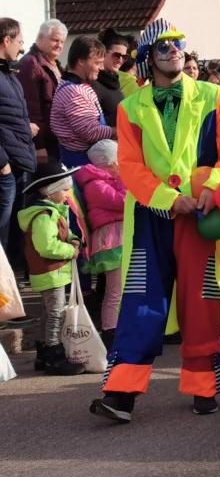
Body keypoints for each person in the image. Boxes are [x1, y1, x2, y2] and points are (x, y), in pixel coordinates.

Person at [90, 18, 220, 423]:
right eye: (164, 45)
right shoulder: (130, 108)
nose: (174, 49)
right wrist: (168, 198)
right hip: (151, 217)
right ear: (147, 58)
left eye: (178, 43)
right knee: (141, 301)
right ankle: (121, 393)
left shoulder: (213, 96)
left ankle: (203, 386)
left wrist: (213, 184)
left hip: (202, 216)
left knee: (202, 301)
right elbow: (129, 166)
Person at [18, 160, 84, 375]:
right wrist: (70, 251)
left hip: (52, 273)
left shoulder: (54, 212)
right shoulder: (44, 216)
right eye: (65, 189)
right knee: (56, 313)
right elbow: (47, 246)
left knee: (48, 313)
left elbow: (63, 234)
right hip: (50, 273)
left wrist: (74, 240)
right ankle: (54, 355)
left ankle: (43, 353)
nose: (68, 194)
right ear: (51, 191)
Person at [75, 140, 126, 344]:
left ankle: (117, 326)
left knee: (118, 288)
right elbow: (124, 201)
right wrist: (124, 180)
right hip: (112, 241)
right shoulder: (95, 184)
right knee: (115, 290)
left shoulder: (102, 181)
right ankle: (110, 330)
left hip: (117, 238)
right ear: (110, 163)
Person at [0, 19, 37, 253]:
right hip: (5, 167)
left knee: (12, 231)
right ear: (6, 40)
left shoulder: (10, 74)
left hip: (18, 161)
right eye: (19, 41)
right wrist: (2, 164)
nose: (21, 48)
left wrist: (26, 127)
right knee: (1, 231)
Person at [51, 35, 115, 167]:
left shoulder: (78, 86)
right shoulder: (74, 92)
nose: (101, 68)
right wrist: (117, 131)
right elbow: (90, 132)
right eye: (97, 63)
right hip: (81, 165)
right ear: (81, 61)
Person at [18, 18, 67, 161]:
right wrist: (39, 146)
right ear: (40, 38)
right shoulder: (30, 65)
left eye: (62, 42)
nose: (59, 45)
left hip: (58, 141)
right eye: (55, 40)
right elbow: (30, 108)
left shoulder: (55, 64)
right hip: (45, 144)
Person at [91, 28, 134, 127]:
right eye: (116, 55)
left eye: (124, 57)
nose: (120, 60)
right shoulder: (93, 83)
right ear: (102, 53)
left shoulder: (114, 82)